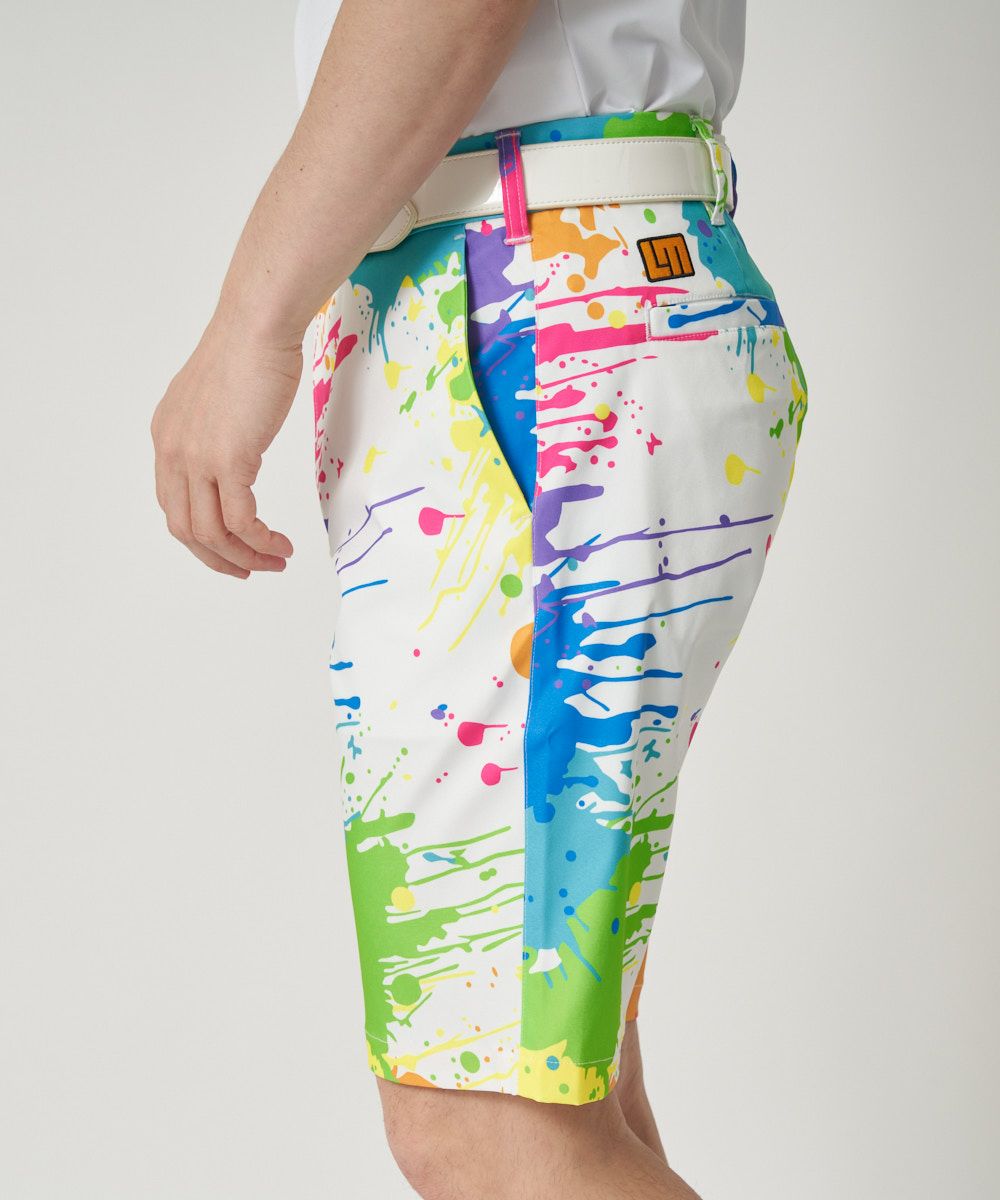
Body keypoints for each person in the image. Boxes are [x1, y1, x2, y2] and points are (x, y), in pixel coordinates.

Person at [150, 2, 809, 1196]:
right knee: (550, 1086)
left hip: (538, 310)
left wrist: (250, 322)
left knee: (486, 1122)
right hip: (539, 293)